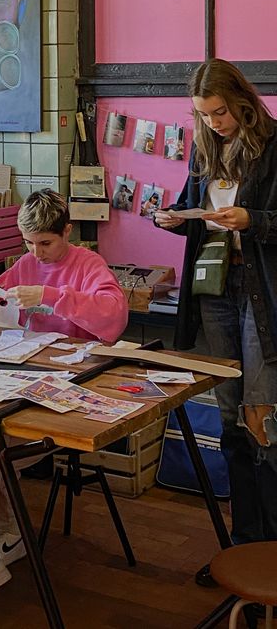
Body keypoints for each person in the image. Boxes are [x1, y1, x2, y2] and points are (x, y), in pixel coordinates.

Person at [0, 189, 128, 608]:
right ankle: (2, 537)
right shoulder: (28, 263)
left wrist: (50, 296)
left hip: (68, 390)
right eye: (28, 243)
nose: (36, 252)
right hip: (22, 375)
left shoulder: (88, 264)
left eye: (45, 243)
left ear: (67, 231)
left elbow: (114, 317)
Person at [154, 58, 277, 580]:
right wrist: (173, 217)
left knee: (261, 419)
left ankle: (269, 552)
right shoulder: (205, 148)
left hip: (259, 294)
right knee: (229, 420)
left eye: (220, 112)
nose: (213, 122)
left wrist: (254, 219)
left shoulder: (272, 146)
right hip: (215, 288)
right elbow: (195, 212)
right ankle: (243, 544)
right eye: (204, 115)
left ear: (241, 101)